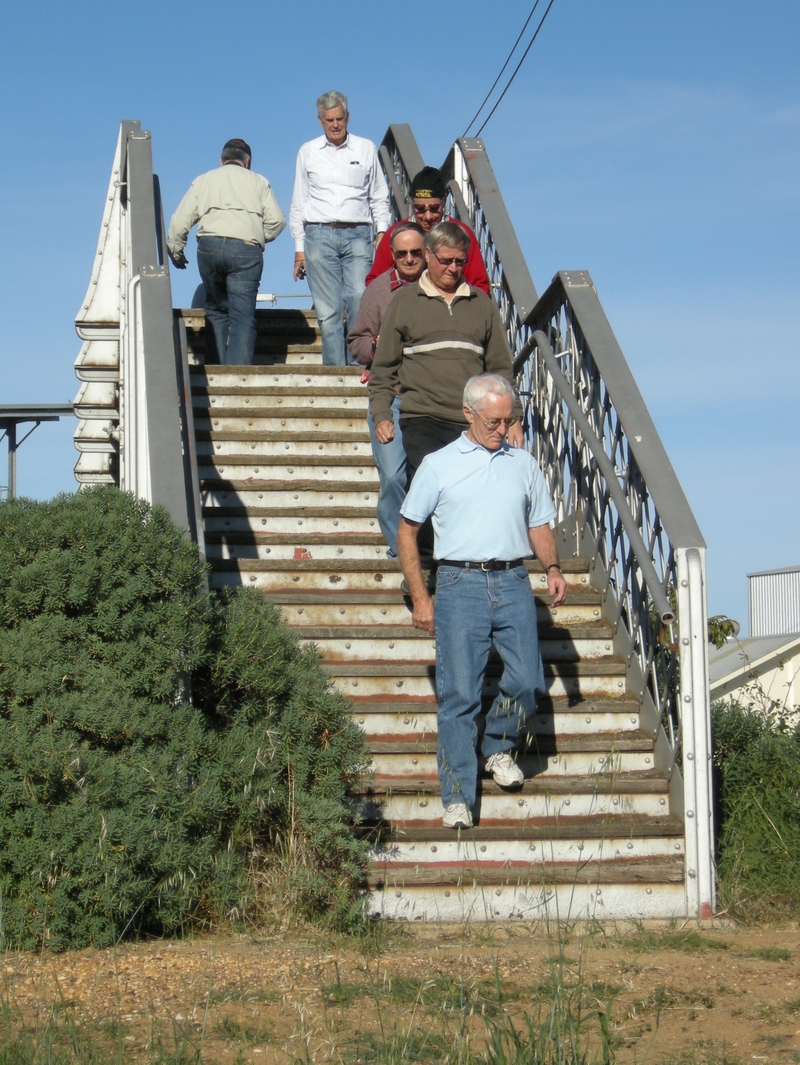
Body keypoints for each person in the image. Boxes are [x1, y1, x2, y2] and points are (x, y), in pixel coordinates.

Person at [397, 374, 568, 829]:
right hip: (458, 583)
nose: (502, 428)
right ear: (468, 414)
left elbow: (540, 523)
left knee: (531, 681)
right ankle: (456, 797)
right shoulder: (438, 464)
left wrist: (551, 567)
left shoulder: (522, 463)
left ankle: (496, 745)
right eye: (493, 420)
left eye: (508, 419)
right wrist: (421, 596)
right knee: (459, 696)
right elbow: (407, 530)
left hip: (512, 579)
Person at [368, 221, 522, 563]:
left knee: (476, 492)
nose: (453, 268)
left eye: (460, 262)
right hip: (422, 415)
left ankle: (470, 562)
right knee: (429, 486)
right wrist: (381, 414)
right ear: (427, 256)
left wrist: (513, 419)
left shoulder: (480, 304)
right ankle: (423, 565)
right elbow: (383, 369)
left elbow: (500, 368)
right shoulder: (404, 302)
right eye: (445, 260)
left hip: (472, 421)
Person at [289, 91, 392, 365]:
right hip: (318, 233)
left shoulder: (365, 148)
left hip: (358, 232)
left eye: (340, 119)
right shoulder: (308, 152)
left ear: (348, 117)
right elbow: (299, 203)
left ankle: (359, 364)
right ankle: (334, 371)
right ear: (320, 121)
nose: (335, 125)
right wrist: (299, 249)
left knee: (359, 296)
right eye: (329, 120)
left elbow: (378, 195)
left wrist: (382, 232)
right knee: (328, 310)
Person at [167, 139, 285, 365]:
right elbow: (277, 221)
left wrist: (176, 251)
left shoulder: (203, 180)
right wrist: (256, 237)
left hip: (209, 248)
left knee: (216, 310)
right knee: (242, 318)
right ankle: (237, 377)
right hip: (246, 250)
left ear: (222, 161)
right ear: (247, 162)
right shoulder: (259, 182)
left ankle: (213, 374)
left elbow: (179, 221)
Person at [346, 222, 425, 558]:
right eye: (402, 253)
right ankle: (402, 553)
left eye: (416, 252)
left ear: (427, 254)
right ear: (391, 255)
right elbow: (356, 341)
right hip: (389, 395)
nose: (409, 259)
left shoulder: (443, 289)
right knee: (393, 477)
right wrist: (375, 349)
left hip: (429, 397)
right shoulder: (378, 291)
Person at [365, 166, 490, 294]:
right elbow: (374, 282)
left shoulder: (461, 234)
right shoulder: (396, 235)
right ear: (412, 204)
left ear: (444, 200)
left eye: (434, 208)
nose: (428, 216)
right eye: (420, 209)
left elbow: (480, 285)